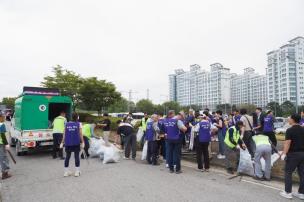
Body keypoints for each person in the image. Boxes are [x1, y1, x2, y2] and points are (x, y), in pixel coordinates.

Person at [280, 114, 304, 200]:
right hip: (302, 154)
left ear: (293, 120)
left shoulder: (290, 130)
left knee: (288, 172)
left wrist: (284, 154)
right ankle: (301, 193)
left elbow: (287, 143)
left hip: (293, 154)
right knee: (302, 174)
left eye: (289, 118)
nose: (288, 120)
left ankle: (288, 192)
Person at [60, 113, 84, 177]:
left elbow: (64, 134)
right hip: (76, 143)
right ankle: (77, 172)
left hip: (68, 143)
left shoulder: (66, 124)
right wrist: (83, 142)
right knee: (76, 157)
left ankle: (66, 172)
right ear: (77, 117)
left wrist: (62, 142)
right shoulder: (79, 124)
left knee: (67, 157)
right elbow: (80, 134)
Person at [0, 113, 11, 179]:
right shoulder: (1, 124)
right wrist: (6, 144)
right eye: (2, 116)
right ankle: (4, 174)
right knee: (3, 157)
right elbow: (2, 135)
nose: (4, 118)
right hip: (1, 144)